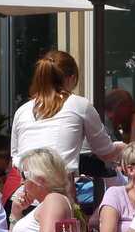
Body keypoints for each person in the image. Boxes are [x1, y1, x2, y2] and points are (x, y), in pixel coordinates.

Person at [9, 51, 118, 179]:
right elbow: (105, 152)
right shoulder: (80, 105)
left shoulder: (22, 110)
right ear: (71, 79)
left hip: (21, 189)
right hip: (56, 187)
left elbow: (15, 157)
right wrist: (123, 148)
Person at [6, 148, 76, 232]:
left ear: (40, 179)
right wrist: (16, 213)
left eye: (24, 175)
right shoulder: (47, 203)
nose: (21, 182)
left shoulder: (54, 199)